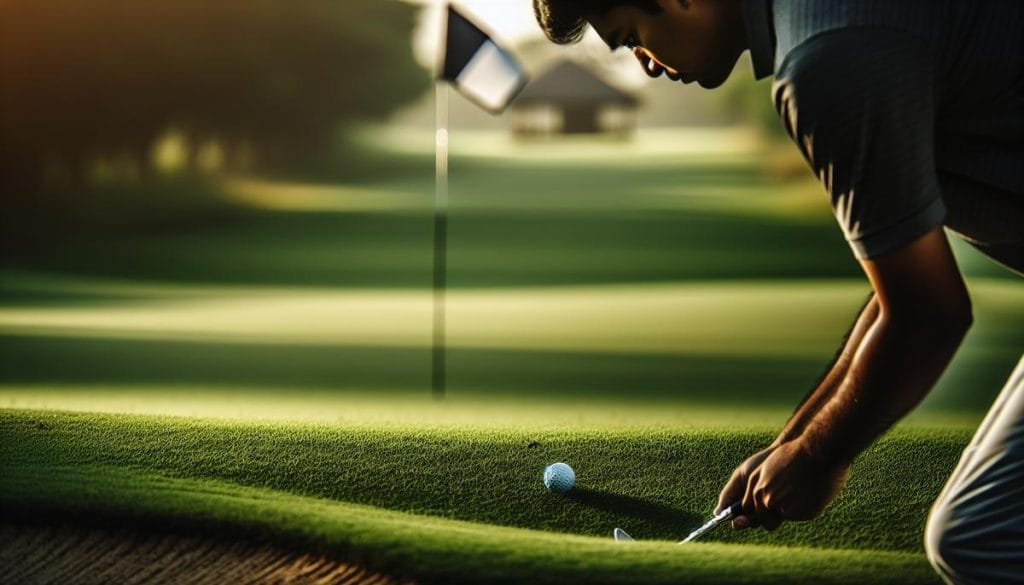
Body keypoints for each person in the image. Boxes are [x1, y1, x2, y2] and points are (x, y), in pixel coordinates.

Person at [532, 1, 1023, 582]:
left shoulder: (828, 62)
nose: (646, 64)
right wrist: (792, 441)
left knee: (975, 537)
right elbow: (909, 283)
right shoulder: (825, 24)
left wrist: (817, 457)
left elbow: (929, 315)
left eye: (633, 35)